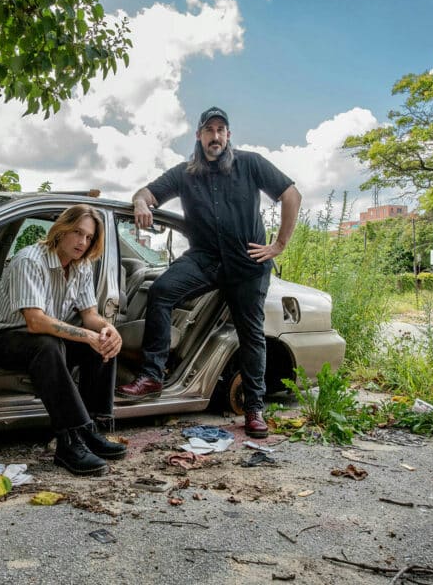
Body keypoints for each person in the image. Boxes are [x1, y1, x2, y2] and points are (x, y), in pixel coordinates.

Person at [116, 107, 302, 439]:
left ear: (228, 135)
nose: (215, 136)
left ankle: (254, 409)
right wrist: (141, 203)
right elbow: (146, 193)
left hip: (248, 263)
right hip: (203, 259)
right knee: (161, 292)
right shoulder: (184, 173)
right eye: (208, 130)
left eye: (221, 130)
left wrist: (278, 245)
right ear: (199, 136)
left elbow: (291, 195)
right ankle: (153, 375)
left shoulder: (251, 163)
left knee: (251, 335)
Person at [0, 204, 126, 476]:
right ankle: (68, 441)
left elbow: (90, 315)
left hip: (44, 338)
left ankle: (90, 428)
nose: (83, 242)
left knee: (102, 343)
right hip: (4, 339)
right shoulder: (30, 260)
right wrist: (87, 335)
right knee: (51, 346)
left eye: (89, 237)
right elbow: (35, 321)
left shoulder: (82, 266)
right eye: (77, 233)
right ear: (61, 230)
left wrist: (108, 330)